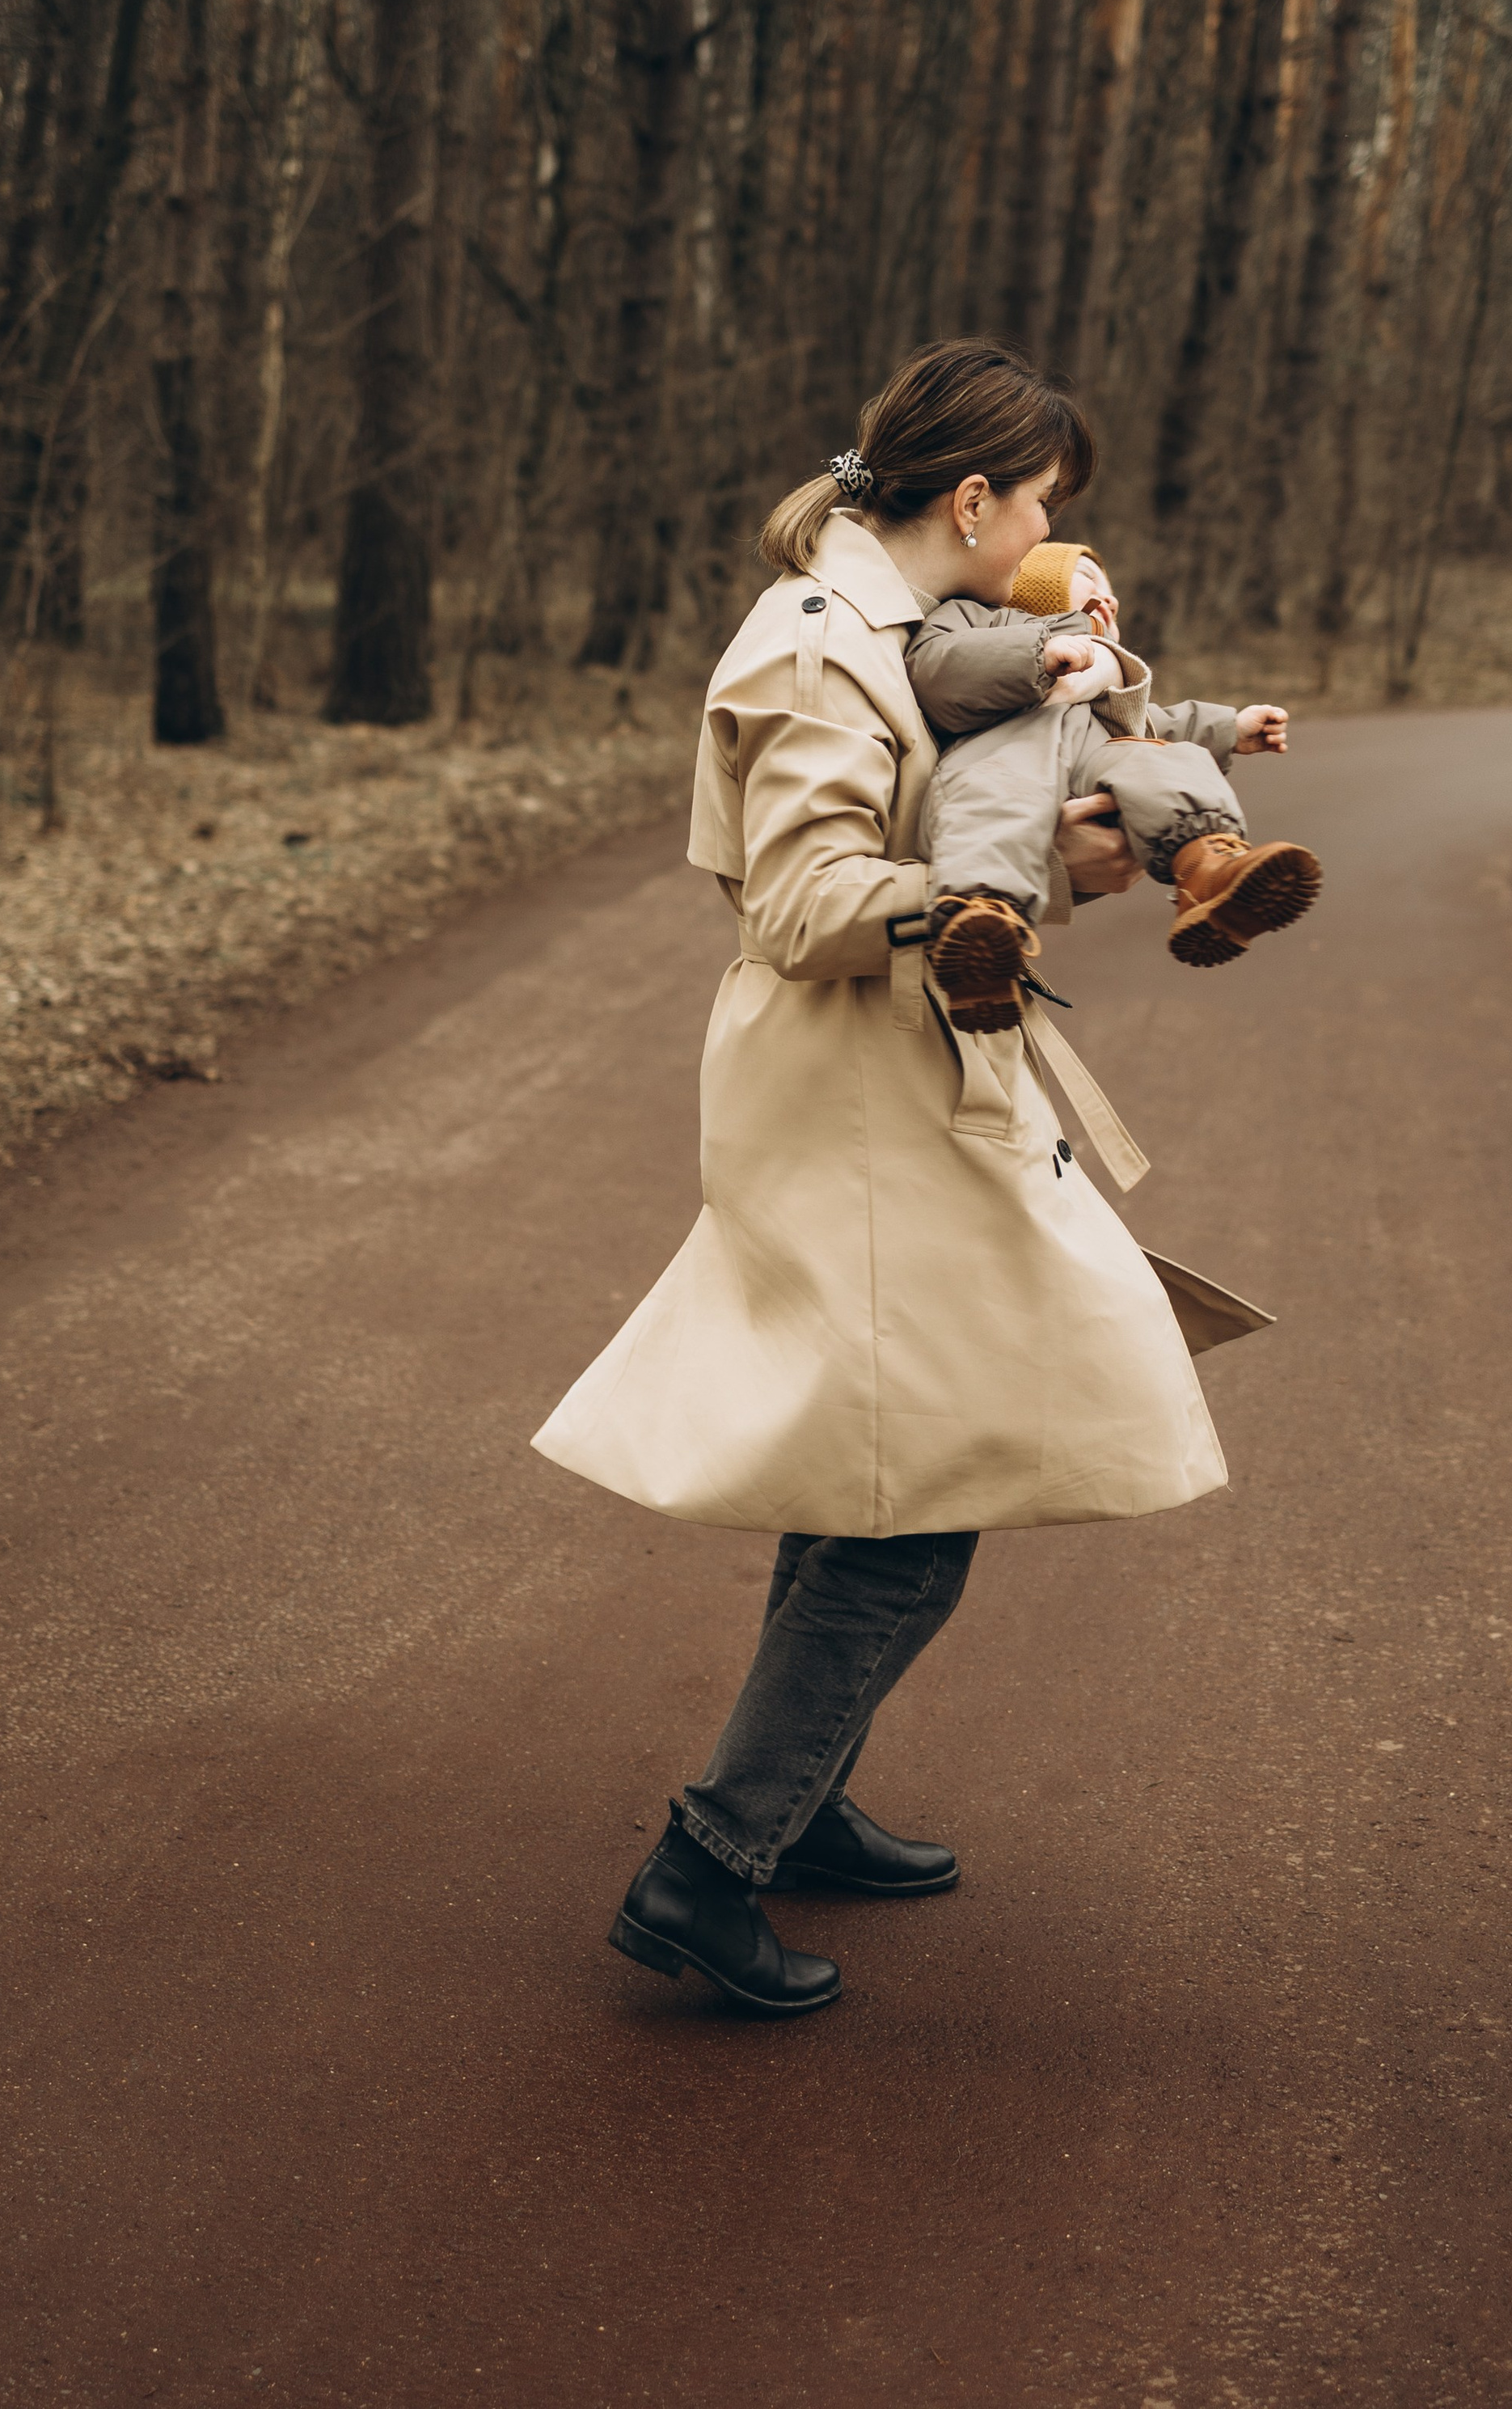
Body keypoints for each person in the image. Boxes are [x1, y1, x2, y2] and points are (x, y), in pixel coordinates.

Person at [531, 344, 1233, 2019]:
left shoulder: (908, 644)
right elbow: (802, 902)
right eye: (1045, 502)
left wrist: (1063, 864)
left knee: (873, 1456)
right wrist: (970, 899)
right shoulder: (811, 650)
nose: (1057, 533)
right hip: (846, 1102)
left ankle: (795, 1796)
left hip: (896, 1086)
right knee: (914, 1504)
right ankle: (706, 1869)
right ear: (972, 500)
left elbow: (939, 838)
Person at [907, 535, 1322, 1032]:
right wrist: (1037, 650)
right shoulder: (983, 619)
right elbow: (937, 671)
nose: (1110, 597)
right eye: (1089, 581)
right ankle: (978, 928)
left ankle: (1207, 870)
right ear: (1032, 587)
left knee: (1165, 761)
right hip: (1003, 760)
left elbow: (1158, 722)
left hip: (1096, 768)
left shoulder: (1108, 690)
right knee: (993, 810)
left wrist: (1232, 729)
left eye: (1112, 592)